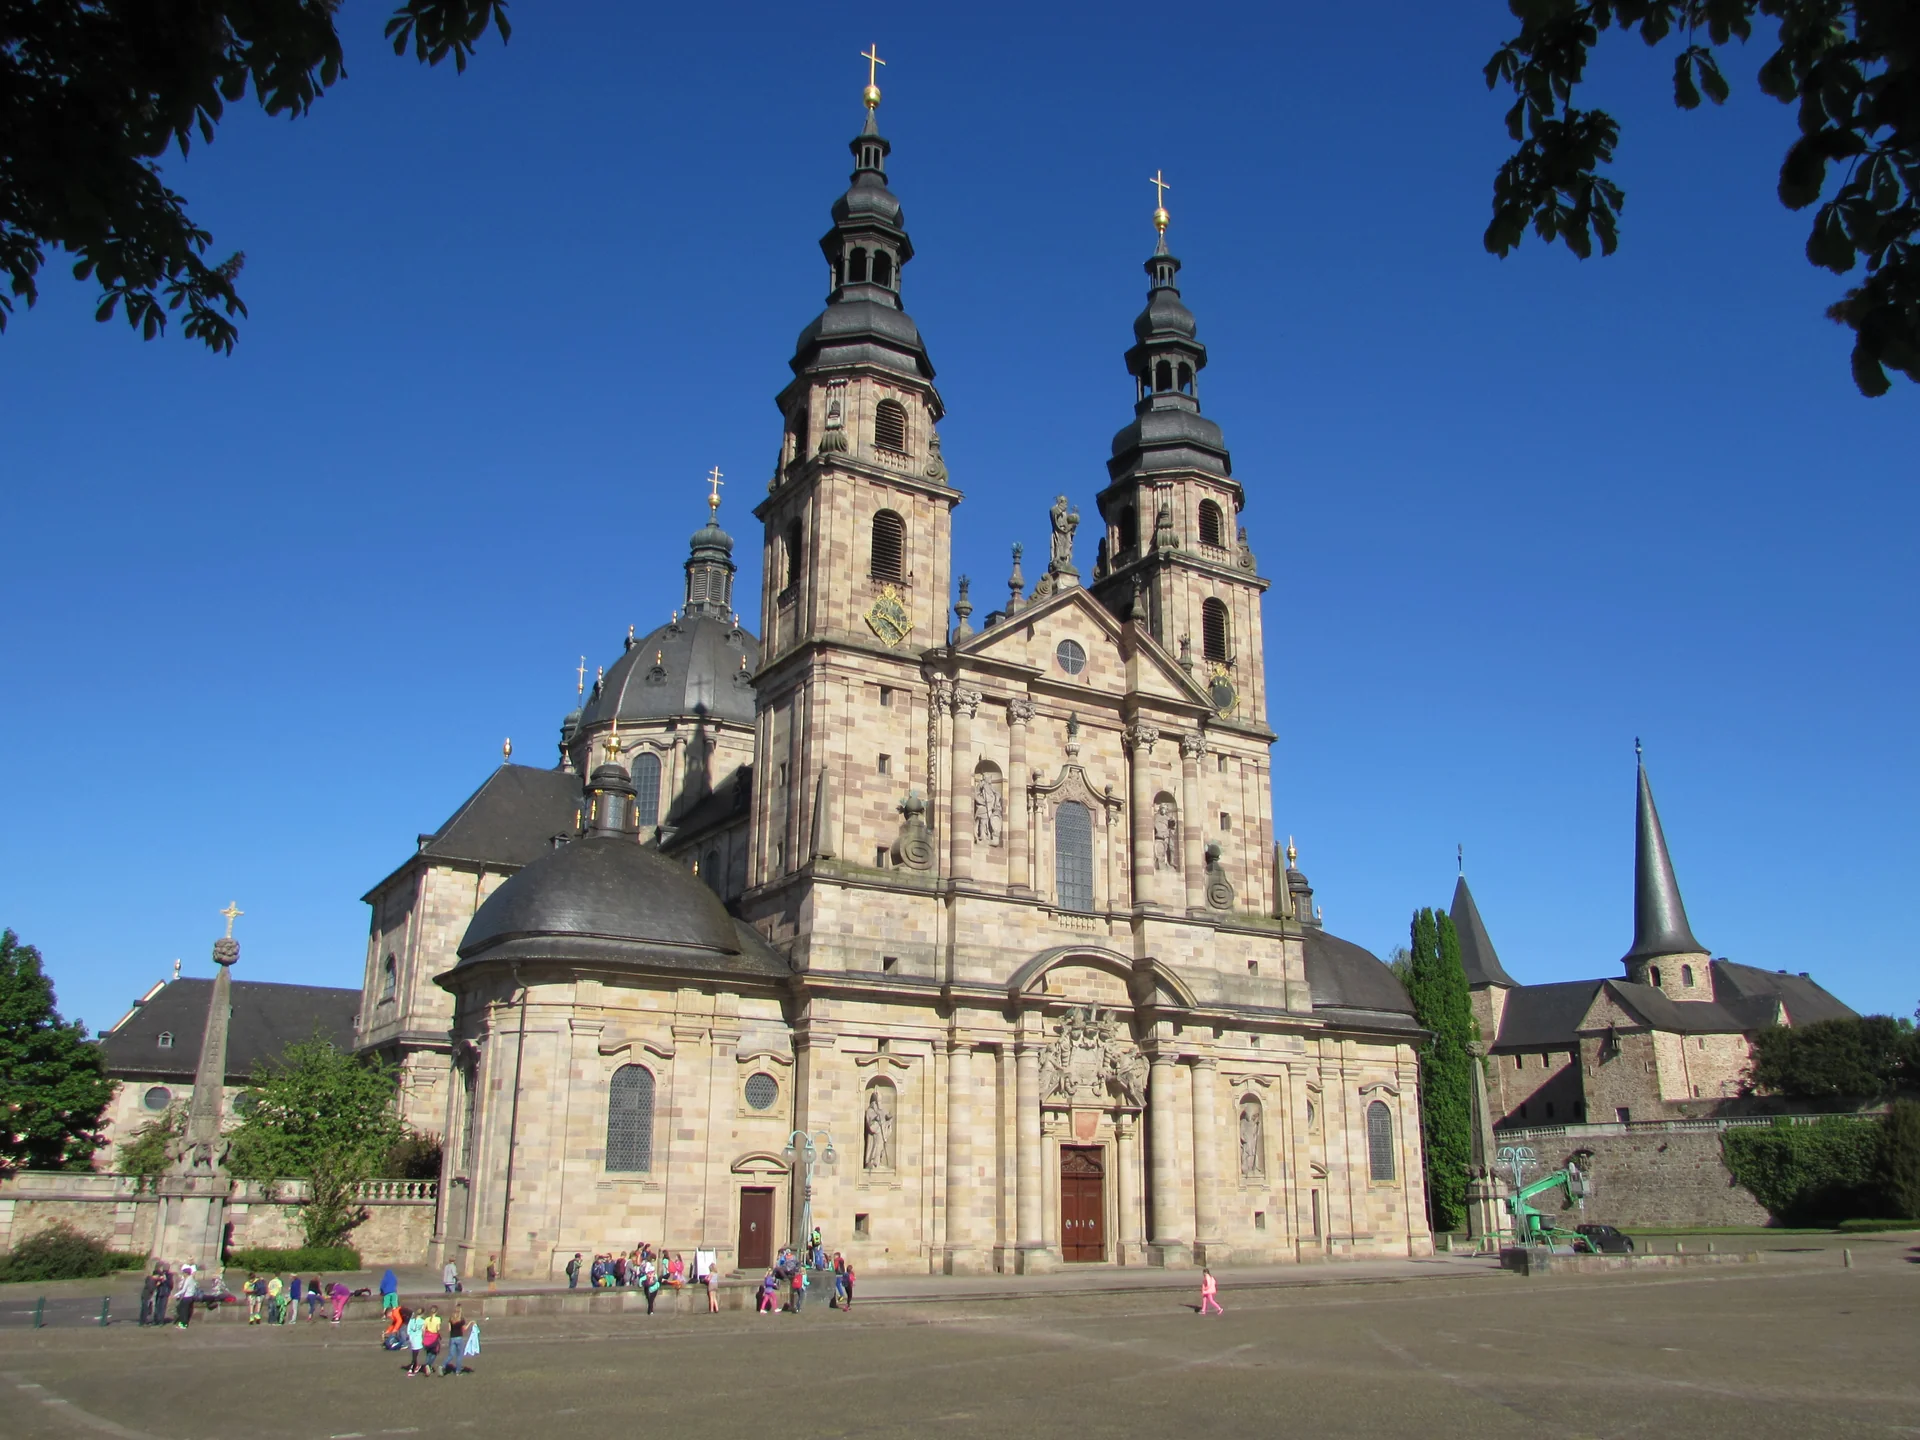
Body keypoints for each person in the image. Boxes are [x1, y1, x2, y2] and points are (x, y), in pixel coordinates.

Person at [442, 1308, 468, 1375]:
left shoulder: (451, 1320)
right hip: (459, 1338)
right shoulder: (461, 1320)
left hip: (452, 1338)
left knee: (451, 1355)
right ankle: (458, 1371)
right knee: (459, 1356)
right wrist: (471, 1323)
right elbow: (465, 1328)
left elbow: (449, 1329)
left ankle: (443, 1365)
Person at [174, 1265, 199, 1329]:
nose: (183, 1274)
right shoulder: (191, 1278)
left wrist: (176, 1295)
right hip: (190, 1297)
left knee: (183, 1311)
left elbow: (183, 1290)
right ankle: (182, 1323)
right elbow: (195, 1285)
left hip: (187, 1297)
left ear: (186, 1273)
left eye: (183, 1273)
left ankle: (183, 1324)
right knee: (183, 1309)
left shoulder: (188, 1279)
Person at [404, 1308, 427, 1375]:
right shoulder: (423, 1321)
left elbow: (408, 1331)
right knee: (415, 1355)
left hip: (412, 1339)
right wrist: (424, 1339)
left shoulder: (411, 1321)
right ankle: (412, 1369)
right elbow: (423, 1331)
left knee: (414, 1354)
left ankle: (415, 1366)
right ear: (422, 1314)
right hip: (418, 1339)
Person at [421, 1307, 443, 1373]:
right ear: (436, 1312)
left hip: (427, 1336)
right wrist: (440, 1335)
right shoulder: (438, 1319)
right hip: (434, 1337)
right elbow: (438, 1329)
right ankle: (428, 1364)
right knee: (435, 1352)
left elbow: (423, 1329)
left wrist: (423, 1337)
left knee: (428, 1353)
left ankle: (428, 1366)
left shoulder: (426, 1319)